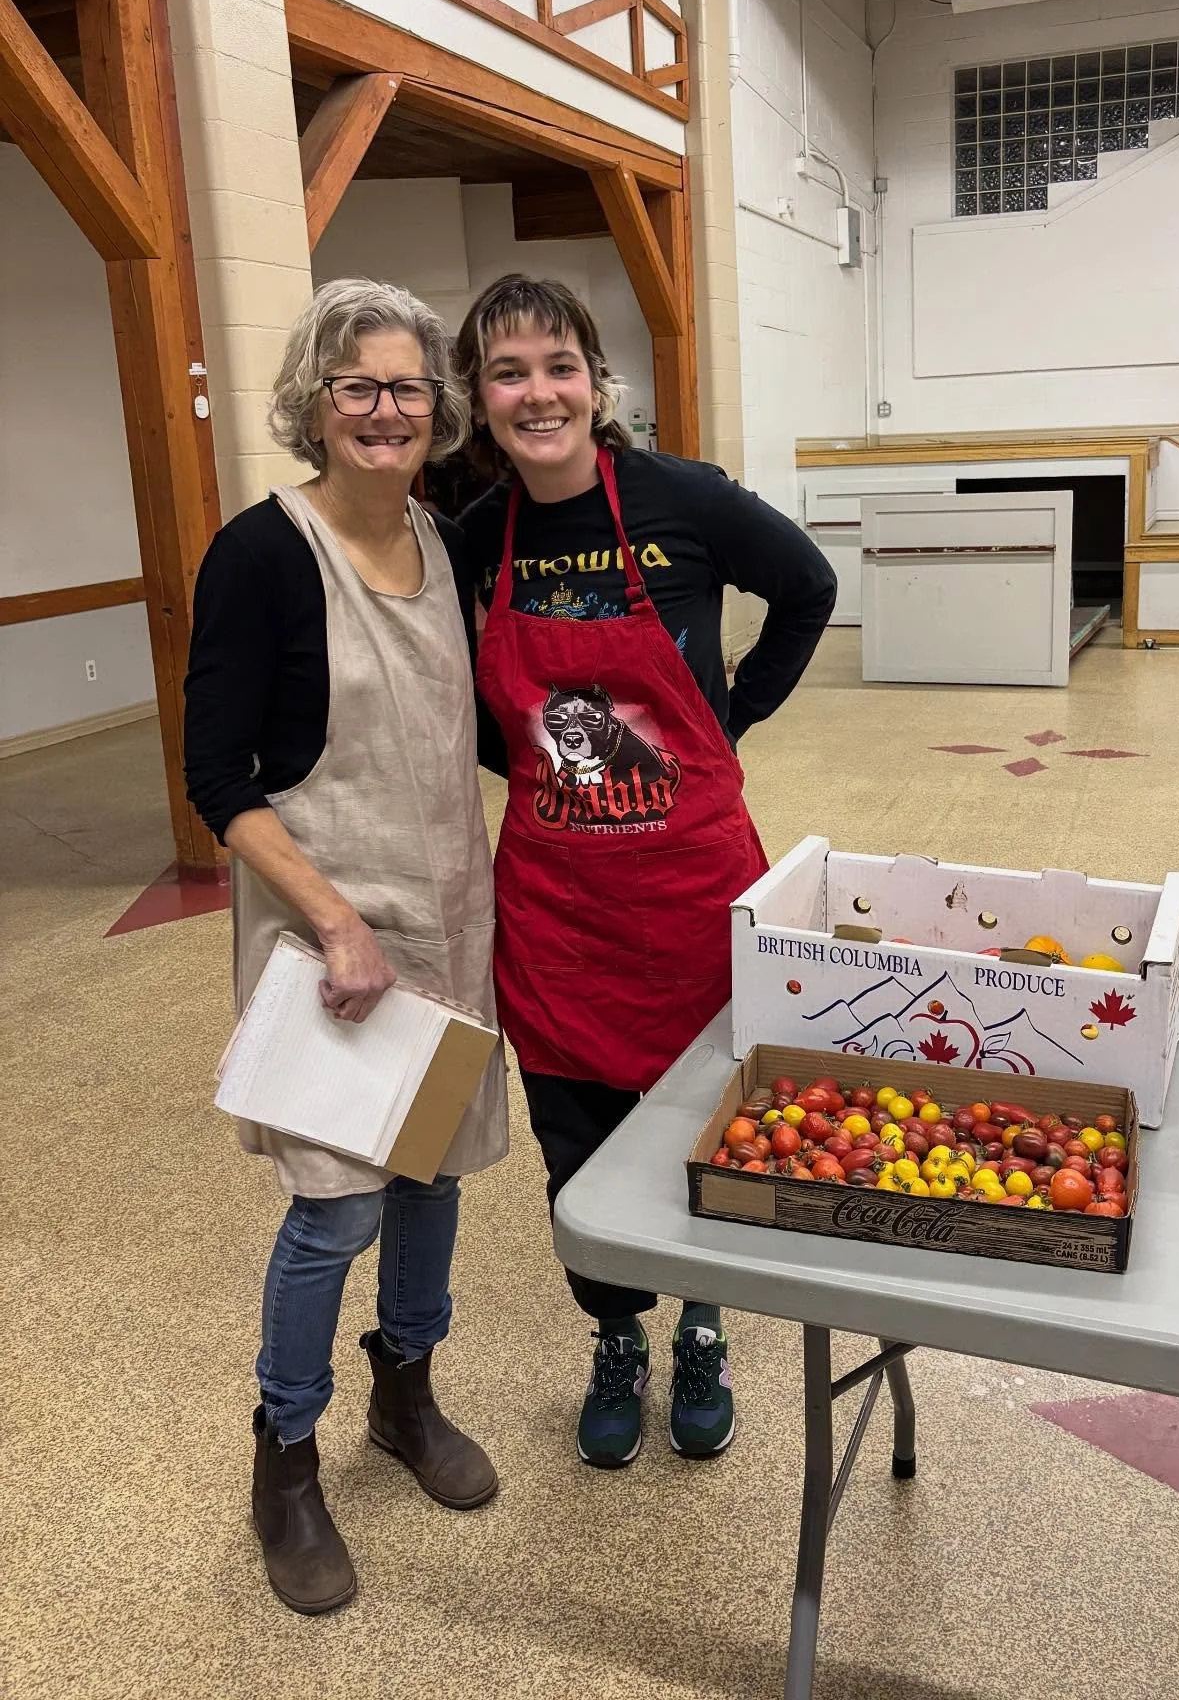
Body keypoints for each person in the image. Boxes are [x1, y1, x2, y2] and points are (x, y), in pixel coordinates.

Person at [457, 273, 836, 1470]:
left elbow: (808, 587)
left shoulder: (684, 500)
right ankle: (618, 1330)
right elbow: (465, 697)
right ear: (480, 399)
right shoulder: (480, 537)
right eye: (509, 372)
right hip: (559, 905)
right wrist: (515, 757)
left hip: (687, 887)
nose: (538, 392)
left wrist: (734, 719)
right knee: (577, 1131)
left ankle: (705, 1322)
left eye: (558, 365)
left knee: (704, 1112)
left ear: (595, 382)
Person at [184, 278, 508, 1616]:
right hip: (330, 935)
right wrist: (332, 924)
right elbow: (219, 779)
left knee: (429, 1178)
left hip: (447, 914)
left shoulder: (448, 543)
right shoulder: (262, 553)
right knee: (335, 1207)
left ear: (439, 410)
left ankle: (406, 1392)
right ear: (314, 406)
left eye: (409, 388)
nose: (387, 411)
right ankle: (287, 1460)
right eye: (358, 388)